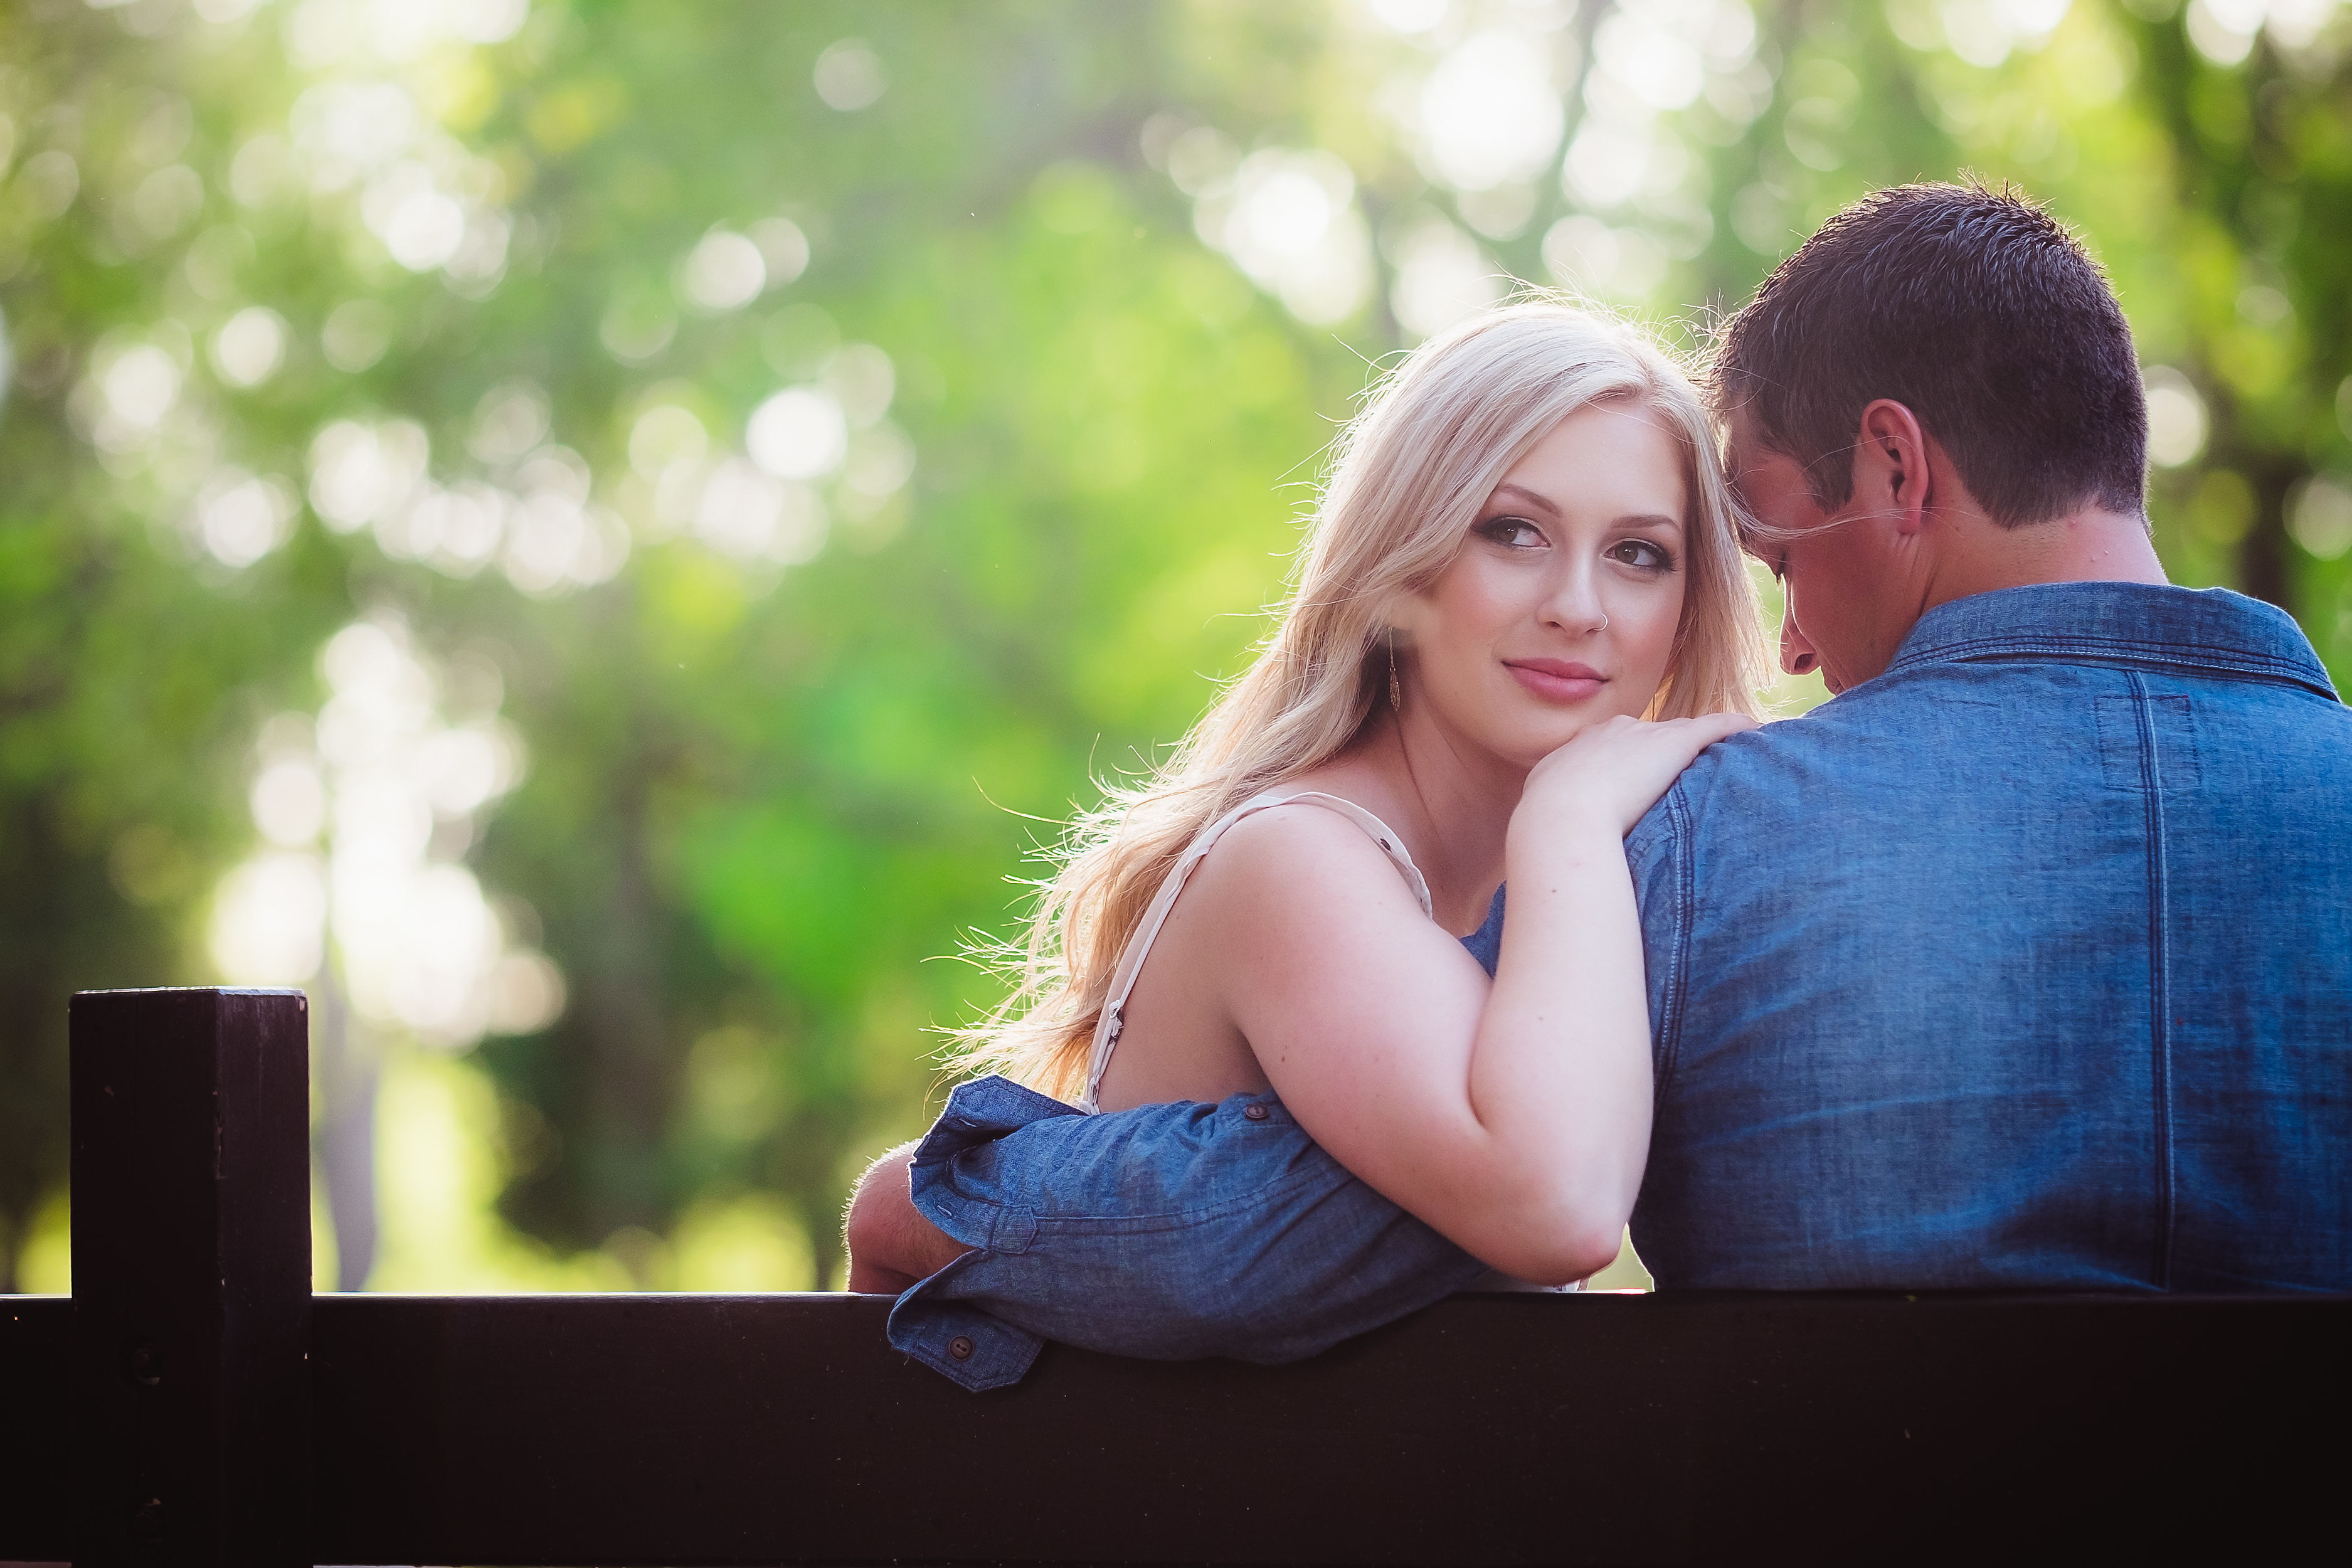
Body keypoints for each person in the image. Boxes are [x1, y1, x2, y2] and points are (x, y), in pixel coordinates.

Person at [850, 183, 2352, 1392]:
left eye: (1673, 553)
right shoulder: (1409, 853)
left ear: (1898, 471)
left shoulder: (1712, 845)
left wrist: (959, 1196)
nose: (1796, 645)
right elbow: (1519, 1190)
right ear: (1401, 559)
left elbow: (1285, 1231)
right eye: (1514, 532)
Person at [849, 299, 1768, 1388]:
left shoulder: (1578, 900)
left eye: (1637, 554)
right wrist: (1568, 818)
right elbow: (1559, 1209)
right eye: (1511, 531)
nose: (1578, 606)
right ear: (1401, 567)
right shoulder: (1298, 860)